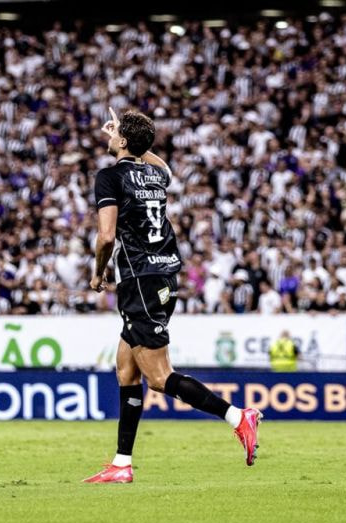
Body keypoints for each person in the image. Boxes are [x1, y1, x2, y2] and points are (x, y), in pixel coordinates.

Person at [84, 108, 261, 484]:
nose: (109, 137)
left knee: (161, 378)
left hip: (140, 279)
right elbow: (159, 164)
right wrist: (134, 140)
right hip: (162, 272)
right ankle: (121, 464)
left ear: (123, 142)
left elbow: (105, 236)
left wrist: (99, 273)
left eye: (115, 135)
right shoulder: (155, 175)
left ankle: (238, 417)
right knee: (126, 369)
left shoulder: (110, 177)